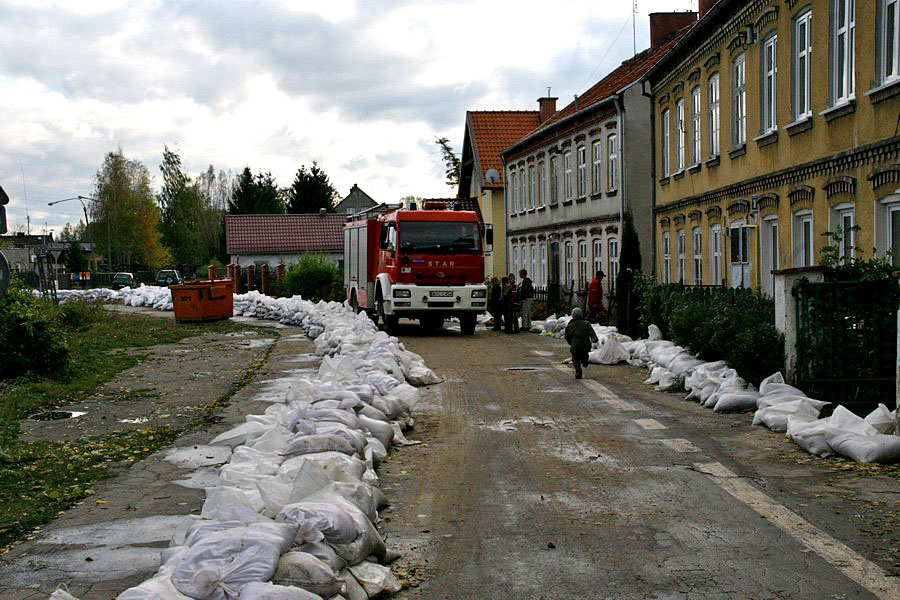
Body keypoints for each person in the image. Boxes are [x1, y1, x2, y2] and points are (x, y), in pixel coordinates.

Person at [564, 307, 598, 379]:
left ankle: (578, 370)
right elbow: (592, 333)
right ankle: (585, 361)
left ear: (572, 315)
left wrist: (570, 342)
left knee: (575, 358)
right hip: (585, 344)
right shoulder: (586, 323)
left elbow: (567, 335)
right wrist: (594, 338)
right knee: (584, 355)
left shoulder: (570, 325)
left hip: (575, 345)